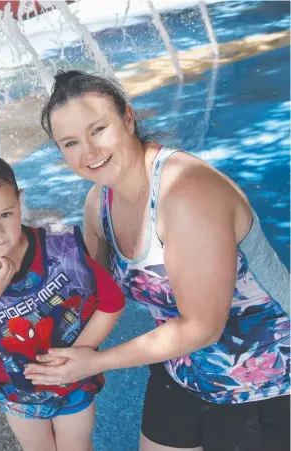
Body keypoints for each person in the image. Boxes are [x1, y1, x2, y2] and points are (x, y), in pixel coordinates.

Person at [24, 70, 290, 451]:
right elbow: (89, 297)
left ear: (128, 118)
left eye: (98, 130)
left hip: (266, 381)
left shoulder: (185, 192)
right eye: (70, 143)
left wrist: (94, 362)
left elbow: (202, 327)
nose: (89, 152)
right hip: (182, 368)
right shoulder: (100, 202)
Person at [0, 153, 125, 451]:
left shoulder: (60, 248)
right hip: (18, 395)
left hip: (73, 384)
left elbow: (111, 301)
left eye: (5, 215)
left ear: (20, 202)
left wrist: (78, 354)